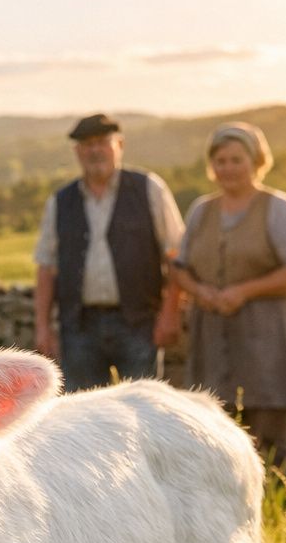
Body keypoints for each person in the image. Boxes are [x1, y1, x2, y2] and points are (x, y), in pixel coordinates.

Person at [172, 122, 286, 467]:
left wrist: (244, 291)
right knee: (212, 423)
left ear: (256, 162)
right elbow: (179, 267)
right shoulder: (201, 210)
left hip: (266, 334)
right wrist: (199, 290)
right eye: (220, 160)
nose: (228, 168)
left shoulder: (277, 207)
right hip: (213, 334)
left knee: (266, 429)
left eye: (237, 159)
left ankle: (277, 494)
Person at [32, 113, 185, 389]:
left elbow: (176, 255)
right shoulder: (60, 201)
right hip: (79, 327)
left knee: (144, 410)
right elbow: (46, 266)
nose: (94, 150)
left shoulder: (150, 189)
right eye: (87, 144)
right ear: (77, 152)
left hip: (139, 322)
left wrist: (170, 313)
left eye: (102, 142)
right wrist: (43, 326)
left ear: (119, 145)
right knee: (81, 418)